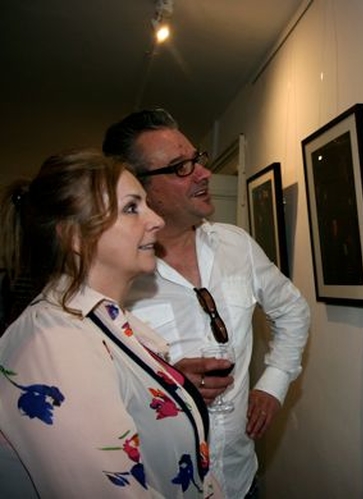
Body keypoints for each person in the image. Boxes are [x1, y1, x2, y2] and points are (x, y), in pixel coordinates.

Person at [103, 109, 311, 499]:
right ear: (137, 186)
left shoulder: (237, 245)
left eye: (197, 159)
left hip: (240, 478)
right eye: (181, 167)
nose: (203, 173)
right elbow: (90, 392)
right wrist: (168, 388)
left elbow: (292, 310)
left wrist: (273, 384)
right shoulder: (115, 273)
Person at [0, 150, 223, 498]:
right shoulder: (55, 343)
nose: (157, 220)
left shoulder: (105, 321)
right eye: (132, 208)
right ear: (75, 237)